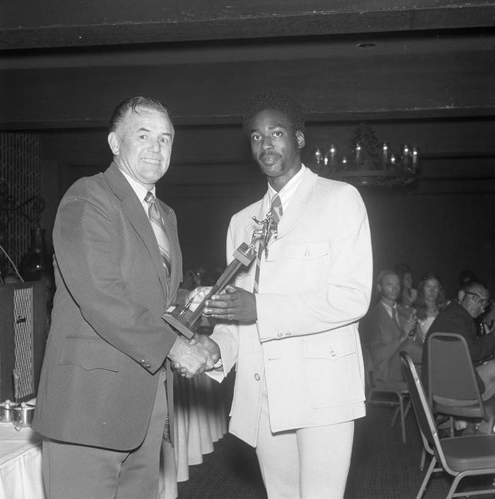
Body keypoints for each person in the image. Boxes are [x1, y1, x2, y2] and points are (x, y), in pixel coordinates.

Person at [193, 91, 373, 498]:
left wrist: (261, 308)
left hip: (322, 388)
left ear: (299, 139)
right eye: (256, 137)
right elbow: (238, 315)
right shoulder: (241, 223)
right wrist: (215, 348)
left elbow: (352, 298)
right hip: (263, 391)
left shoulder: (339, 199)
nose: (266, 144)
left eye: (276, 133)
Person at [33, 96, 214, 499]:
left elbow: (156, 300)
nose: (156, 148)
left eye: (165, 139)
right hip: (88, 407)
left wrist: (195, 316)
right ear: (115, 143)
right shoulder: (88, 197)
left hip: (145, 408)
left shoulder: (165, 215)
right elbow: (101, 294)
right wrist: (175, 348)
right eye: (144, 135)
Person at [423, 280, 495, 401]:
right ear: (461, 296)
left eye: (483, 302)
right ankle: (469, 418)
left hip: (444, 382)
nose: (479, 306)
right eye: (476, 299)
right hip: (445, 387)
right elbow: (471, 353)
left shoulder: (454, 313)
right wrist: (492, 337)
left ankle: (473, 420)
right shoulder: (456, 318)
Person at [360, 270, 422, 383]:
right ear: (379, 288)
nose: (395, 289)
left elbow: (418, 344)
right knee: (408, 347)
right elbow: (376, 357)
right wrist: (401, 339)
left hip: (409, 367)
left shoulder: (406, 313)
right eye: (390, 285)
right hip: (384, 373)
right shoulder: (371, 317)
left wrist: (412, 334)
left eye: (397, 285)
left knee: (430, 371)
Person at [413, 272, 447, 343]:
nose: (432, 291)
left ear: (439, 290)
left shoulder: (446, 312)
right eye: (428, 287)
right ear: (422, 289)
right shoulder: (414, 313)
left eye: (435, 287)